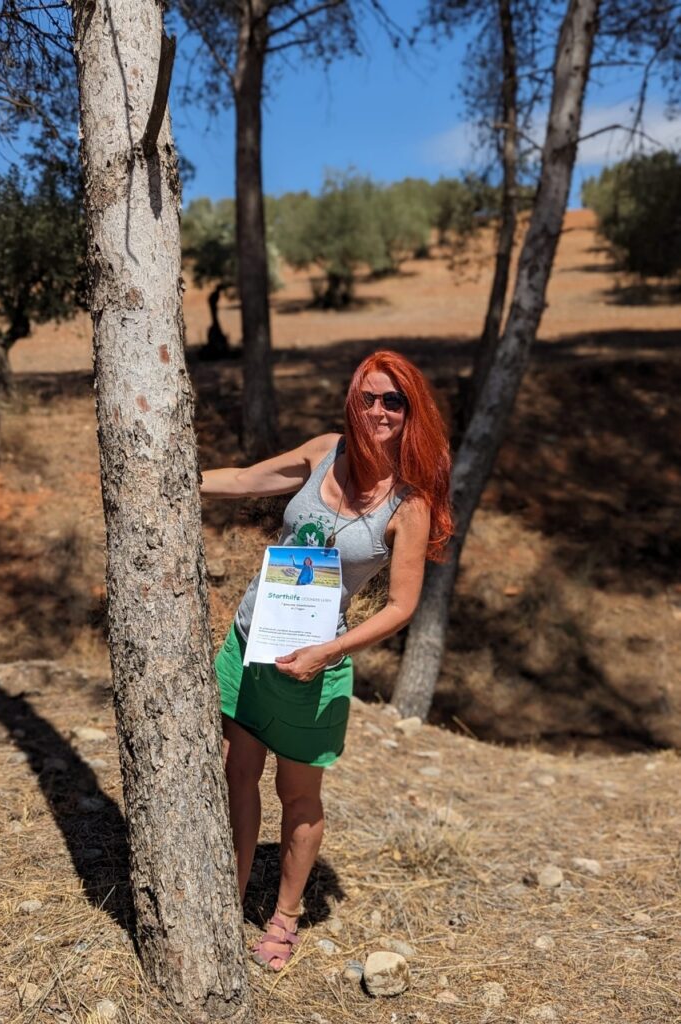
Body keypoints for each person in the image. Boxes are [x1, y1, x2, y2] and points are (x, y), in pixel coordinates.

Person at [200, 350, 453, 971]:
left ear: (410, 411)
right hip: (247, 643)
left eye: (393, 401)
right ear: (352, 401)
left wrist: (328, 652)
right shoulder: (324, 451)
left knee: (298, 795)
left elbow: (400, 607)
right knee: (236, 775)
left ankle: (284, 919)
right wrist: (171, 472)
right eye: (368, 397)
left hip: (315, 662)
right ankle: (225, 906)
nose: (378, 411)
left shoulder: (410, 506)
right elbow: (249, 479)